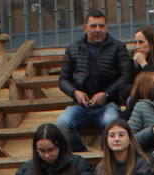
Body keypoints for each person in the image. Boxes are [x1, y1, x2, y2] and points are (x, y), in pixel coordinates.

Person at [56, 10, 132, 149]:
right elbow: (63, 80)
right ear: (85, 27)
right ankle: (83, 160)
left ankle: (106, 164)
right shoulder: (73, 49)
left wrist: (106, 94)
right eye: (93, 26)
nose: (98, 30)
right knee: (62, 124)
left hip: (108, 104)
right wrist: (75, 93)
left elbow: (126, 76)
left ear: (107, 27)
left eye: (101, 26)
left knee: (113, 124)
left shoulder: (118, 48)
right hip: (80, 106)